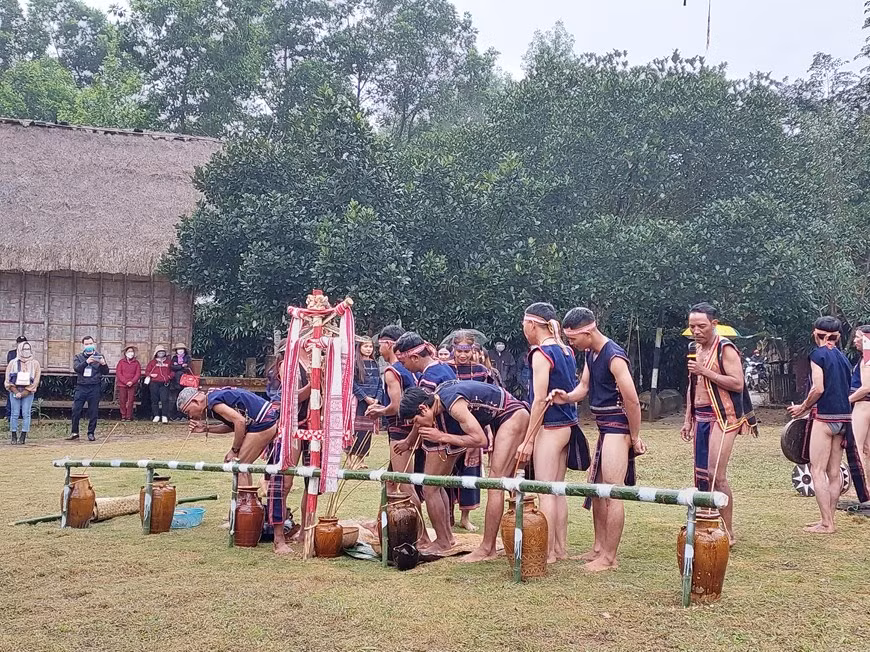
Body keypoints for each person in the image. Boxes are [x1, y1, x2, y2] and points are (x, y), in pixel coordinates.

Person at [551, 307, 646, 571]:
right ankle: (598, 548)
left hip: (617, 427)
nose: (572, 343)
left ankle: (609, 557)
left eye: (573, 338)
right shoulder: (591, 353)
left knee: (612, 492)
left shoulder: (614, 356)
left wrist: (634, 437)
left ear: (589, 331)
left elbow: (632, 400)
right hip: (605, 427)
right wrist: (565, 397)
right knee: (597, 489)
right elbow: (584, 387)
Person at [400, 379, 530, 562]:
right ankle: (449, 540)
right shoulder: (439, 398)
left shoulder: (453, 405)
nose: (419, 426)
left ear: (423, 408)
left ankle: (488, 548)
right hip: (501, 417)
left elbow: (480, 440)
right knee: (436, 485)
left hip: (513, 415)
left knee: (495, 483)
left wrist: (442, 436)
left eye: (416, 421)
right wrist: (408, 442)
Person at [516, 302, 590, 564]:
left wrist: (528, 439)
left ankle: (546, 552)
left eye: (524, 324)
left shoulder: (541, 353)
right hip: (568, 426)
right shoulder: (566, 350)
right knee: (557, 490)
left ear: (532, 325)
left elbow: (539, 400)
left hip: (550, 427)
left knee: (545, 490)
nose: (523, 329)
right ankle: (559, 548)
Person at [177, 386, 291, 554]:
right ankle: (246, 512)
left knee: (240, 466)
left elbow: (240, 422)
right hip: (264, 419)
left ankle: (247, 514)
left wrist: (235, 450)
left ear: (195, 401)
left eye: (188, 411)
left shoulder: (213, 402)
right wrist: (206, 429)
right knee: (242, 467)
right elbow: (233, 424)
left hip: (264, 421)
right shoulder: (213, 402)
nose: (190, 416)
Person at [681, 302, 755, 545]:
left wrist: (705, 371)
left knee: (716, 475)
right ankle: (706, 526)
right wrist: (688, 419)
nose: (696, 331)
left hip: (724, 416)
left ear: (714, 324)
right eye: (692, 326)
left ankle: (728, 531)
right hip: (700, 416)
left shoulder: (726, 348)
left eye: (701, 326)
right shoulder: (694, 348)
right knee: (701, 474)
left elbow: (738, 383)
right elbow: (693, 386)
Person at [787, 317, 869, 533]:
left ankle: (826, 523)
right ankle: (829, 520)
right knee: (834, 472)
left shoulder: (817, 355)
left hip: (824, 419)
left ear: (816, 334)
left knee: (817, 470)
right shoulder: (843, 358)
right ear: (838, 336)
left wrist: (803, 407)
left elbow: (818, 388)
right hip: (844, 419)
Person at [393, 331, 458, 553]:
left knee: (430, 488)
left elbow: (421, 416)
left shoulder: (429, 379)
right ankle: (447, 536)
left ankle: (442, 540)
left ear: (414, 357)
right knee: (437, 486)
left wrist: (408, 441)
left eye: (403, 362)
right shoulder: (445, 368)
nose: (403, 367)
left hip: (439, 436)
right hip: (451, 434)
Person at [447, 331, 492, 531]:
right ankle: (447, 513)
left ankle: (465, 517)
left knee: (470, 472)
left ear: (473, 350)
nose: (463, 355)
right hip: (450, 425)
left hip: (474, 425)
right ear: (454, 350)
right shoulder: (446, 368)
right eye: (459, 351)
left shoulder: (481, 371)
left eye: (466, 351)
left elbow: (487, 400)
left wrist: (484, 429)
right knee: (447, 471)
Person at [67, 336, 110, 441]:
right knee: (76, 410)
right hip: (81, 387)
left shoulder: (99, 356)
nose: (89, 346)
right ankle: (75, 432)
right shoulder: (78, 357)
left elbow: (105, 372)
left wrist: (103, 364)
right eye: (86, 344)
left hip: (94, 386)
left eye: (90, 343)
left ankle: (91, 433)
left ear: (94, 344)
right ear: (83, 345)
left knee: (93, 411)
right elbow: (77, 369)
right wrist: (87, 362)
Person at [350, 337, 382, 461]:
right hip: (359, 402)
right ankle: (351, 458)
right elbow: (352, 384)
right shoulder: (355, 363)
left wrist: (377, 399)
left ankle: (361, 459)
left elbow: (379, 383)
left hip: (372, 402)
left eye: (370, 347)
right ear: (359, 347)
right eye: (365, 346)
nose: (368, 349)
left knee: (367, 431)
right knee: (356, 429)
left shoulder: (374, 363)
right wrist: (364, 397)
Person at [5, 341, 41, 444]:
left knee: (26, 413)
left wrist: (25, 392)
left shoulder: (35, 363)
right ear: (20, 350)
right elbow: (8, 379)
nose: (26, 351)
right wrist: (15, 391)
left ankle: (23, 436)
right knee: (14, 413)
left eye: (28, 349)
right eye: (24, 349)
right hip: (14, 390)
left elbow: (36, 380)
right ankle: (13, 435)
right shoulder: (13, 363)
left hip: (28, 392)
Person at [849, 325, 870, 497]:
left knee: (858, 447)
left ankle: (861, 489)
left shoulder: (867, 359)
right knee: (867, 449)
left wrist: (846, 400)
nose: (855, 340)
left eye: (858, 337)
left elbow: (866, 388)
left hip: (863, 405)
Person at [145, 345, 173, 424]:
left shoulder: (168, 362)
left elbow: (172, 371)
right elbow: (147, 371)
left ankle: (164, 416)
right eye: (159, 352)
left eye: (162, 352)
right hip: (154, 383)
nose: (161, 353)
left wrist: (169, 377)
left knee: (164, 400)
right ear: (156, 353)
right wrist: (151, 375)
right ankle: (156, 415)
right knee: (154, 400)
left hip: (164, 383)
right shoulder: (152, 362)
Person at [115, 346, 141, 422]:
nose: (130, 353)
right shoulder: (121, 362)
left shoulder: (136, 363)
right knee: (122, 400)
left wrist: (132, 382)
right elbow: (119, 373)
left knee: (130, 401)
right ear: (125, 353)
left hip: (132, 384)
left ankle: (129, 416)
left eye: (132, 351)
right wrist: (126, 382)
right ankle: (123, 415)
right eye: (129, 351)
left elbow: (138, 374)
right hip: (122, 384)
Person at [5, 335, 26, 423]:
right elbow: (11, 365)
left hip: (24, 379)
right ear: (17, 344)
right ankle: (8, 416)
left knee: (25, 397)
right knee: (11, 397)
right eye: (20, 343)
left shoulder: (28, 354)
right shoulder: (11, 353)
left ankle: (22, 417)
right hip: (14, 379)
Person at [170, 343, 192, 421]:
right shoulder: (174, 358)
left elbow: (187, 367)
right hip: (175, 382)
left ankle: (183, 416)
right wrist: (181, 366)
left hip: (185, 381)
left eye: (181, 349)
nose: (180, 351)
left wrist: (178, 367)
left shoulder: (187, 357)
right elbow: (172, 367)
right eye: (178, 349)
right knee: (175, 399)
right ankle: (175, 416)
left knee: (184, 399)